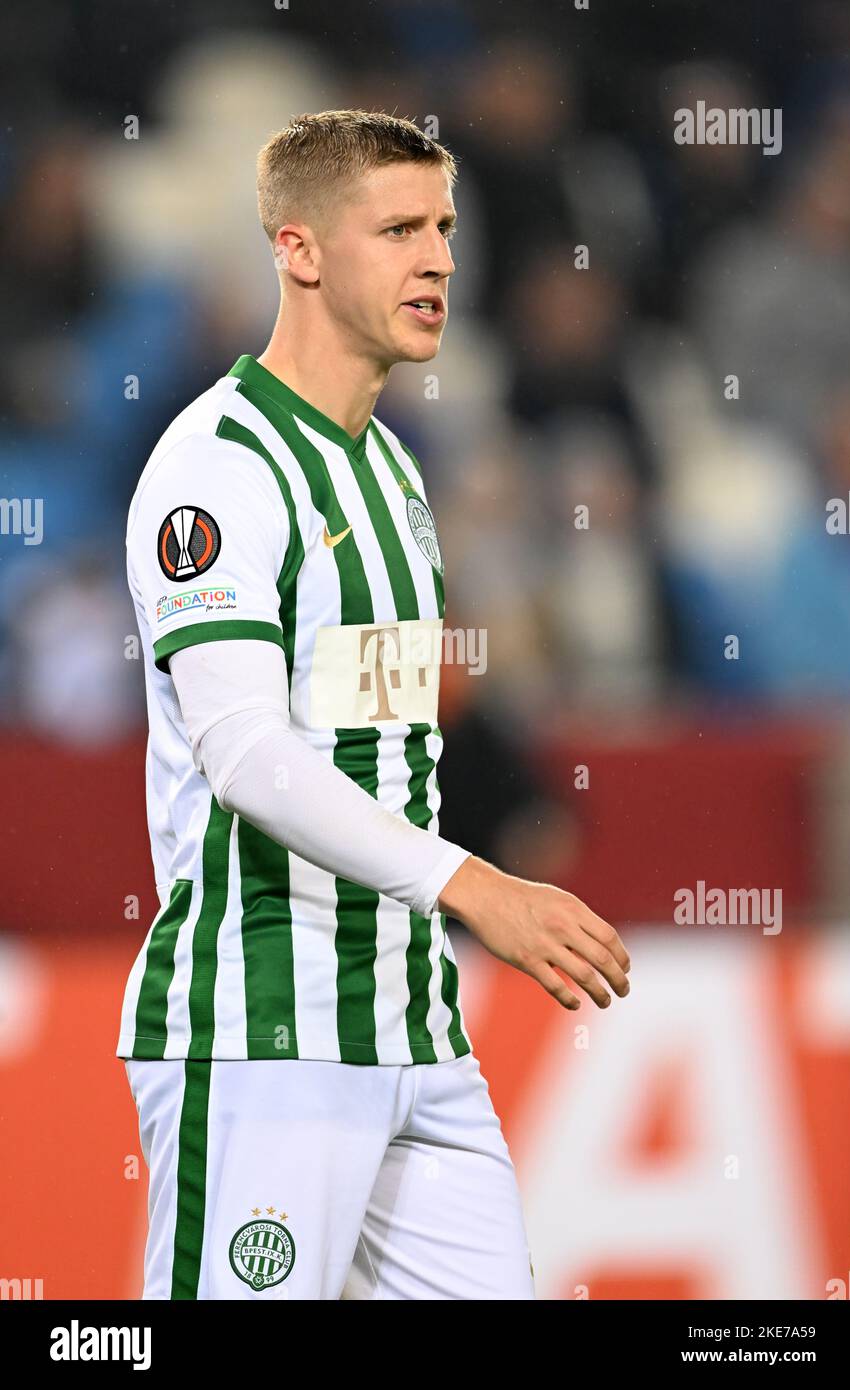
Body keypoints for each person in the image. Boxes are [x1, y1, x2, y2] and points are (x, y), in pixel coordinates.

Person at [118, 109, 631, 1301]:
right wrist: (473, 882)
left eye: (443, 227)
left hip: (411, 1028)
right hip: (264, 1036)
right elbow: (246, 749)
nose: (438, 258)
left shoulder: (395, 470)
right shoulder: (218, 466)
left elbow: (382, 738)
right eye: (396, 228)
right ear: (297, 250)